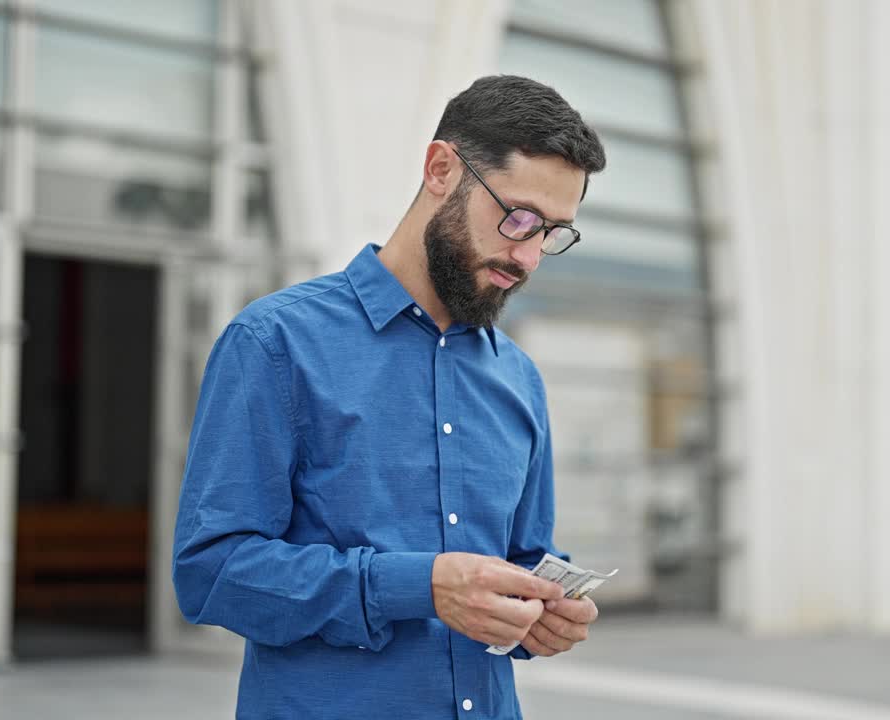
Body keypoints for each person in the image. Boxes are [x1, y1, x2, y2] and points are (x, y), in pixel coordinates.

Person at [172, 74, 607, 719]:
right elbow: (211, 574)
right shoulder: (275, 343)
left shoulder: (519, 378)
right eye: (517, 217)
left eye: (552, 232)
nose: (530, 255)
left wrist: (547, 611)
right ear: (440, 170)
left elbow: (522, 558)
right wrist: (417, 586)